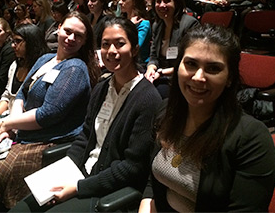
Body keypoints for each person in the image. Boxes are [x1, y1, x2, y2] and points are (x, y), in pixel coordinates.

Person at [10, 16, 162, 212]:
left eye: (120, 44)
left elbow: (132, 168)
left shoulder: (148, 99)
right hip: (81, 175)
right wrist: (65, 170)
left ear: (134, 50)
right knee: (21, 209)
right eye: (106, 44)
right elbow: (84, 138)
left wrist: (77, 188)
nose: (112, 51)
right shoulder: (101, 88)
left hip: (106, 191)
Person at [0, 11, 100, 211]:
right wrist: (10, 125)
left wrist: (7, 124)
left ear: (84, 41)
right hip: (24, 129)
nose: (71, 38)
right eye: (68, 31)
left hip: (49, 139)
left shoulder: (75, 69)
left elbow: (48, 114)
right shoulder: (45, 59)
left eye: (78, 35)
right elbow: (22, 94)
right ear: (59, 29)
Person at [139, 24, 275, 212]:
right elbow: (153, 178)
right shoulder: (166, 112)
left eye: (213, 68)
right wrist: (146, 204)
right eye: (191, 64)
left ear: (229, 78)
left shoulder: (252, 139)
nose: (198, 77)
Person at [0, 24, 49, 134]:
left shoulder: (42, 69)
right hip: (8, 116)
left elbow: (30, 109)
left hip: (24, 124)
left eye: (18, 41)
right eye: (13, 41)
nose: (13, 45)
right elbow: (7, 95)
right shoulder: (15, 65)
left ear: (32, 42)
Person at [144, 0, 199, 98]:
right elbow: (153, 56)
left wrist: (161, 72)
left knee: (154, 94)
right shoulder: (157, 26)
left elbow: (191, 62)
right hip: (160, 74)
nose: (162, 5)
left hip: (180, 77)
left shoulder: (189, 24)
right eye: (158, 1)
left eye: (167, 1)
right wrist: (151, 68)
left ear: (176, 3)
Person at [119, 0, 151, 67]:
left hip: (140, 65)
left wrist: (131, 26)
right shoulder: (121, 20)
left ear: (134, 1)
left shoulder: (144, 24)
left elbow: (134, 47)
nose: (120, 2)